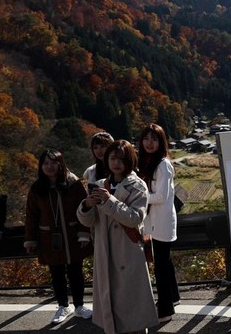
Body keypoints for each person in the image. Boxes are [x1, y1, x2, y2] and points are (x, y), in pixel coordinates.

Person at [77, 140, 159, 334]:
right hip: (105, 251)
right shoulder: (99, 184)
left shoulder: (137, 186)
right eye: (113, 158)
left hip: (127, 251)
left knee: (131, 305)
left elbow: (134, 218)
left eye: (121, 159)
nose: (116, 163)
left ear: (130, 161)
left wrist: (109, 200)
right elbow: (89, 222)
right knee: (111, 304)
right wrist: (86, 205)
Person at [24, 149, 93, 324]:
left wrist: (84, 233)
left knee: (76, 271)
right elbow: (31, 215)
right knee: (56, 273)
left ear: (60, 164)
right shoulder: (37, 188)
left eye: (53, 162)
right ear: (41, 166)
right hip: (49, 237)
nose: (49, 167)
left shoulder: (73, 183)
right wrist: (30, 239)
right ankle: (63, 305)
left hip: (72, 235)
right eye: (45, 163)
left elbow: (85, 208)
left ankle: (79, 306)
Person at [137, 123, 180, 322]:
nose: (149, 143)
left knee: (160, 265)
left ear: (161, 142)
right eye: (146, 138)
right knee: (165, 261)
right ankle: (173, 297)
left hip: (161, 222)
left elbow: (160, 196)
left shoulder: (163, 164)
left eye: (154, 139)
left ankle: (165, 310)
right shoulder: (147, 162)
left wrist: (139, 196)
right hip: (154, 220)